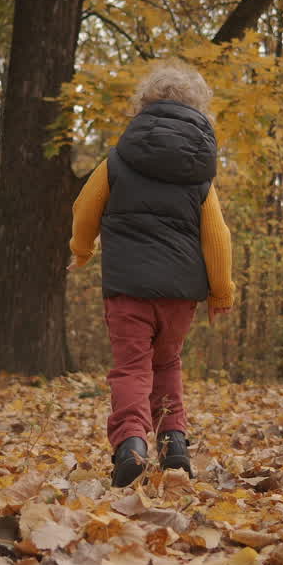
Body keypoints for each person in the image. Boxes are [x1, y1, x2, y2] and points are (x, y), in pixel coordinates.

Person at [68, 59, 235, 487]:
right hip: (180, 295)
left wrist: (82, 250)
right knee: (168, 364)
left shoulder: (118, 160)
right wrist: (221, 293)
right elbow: (217, 238)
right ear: (198, 111)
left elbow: (86, 207)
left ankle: (131, 446)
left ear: (143, 106)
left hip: (127, 290)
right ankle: (174, 444)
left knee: (131, 368)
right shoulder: (200, 175)